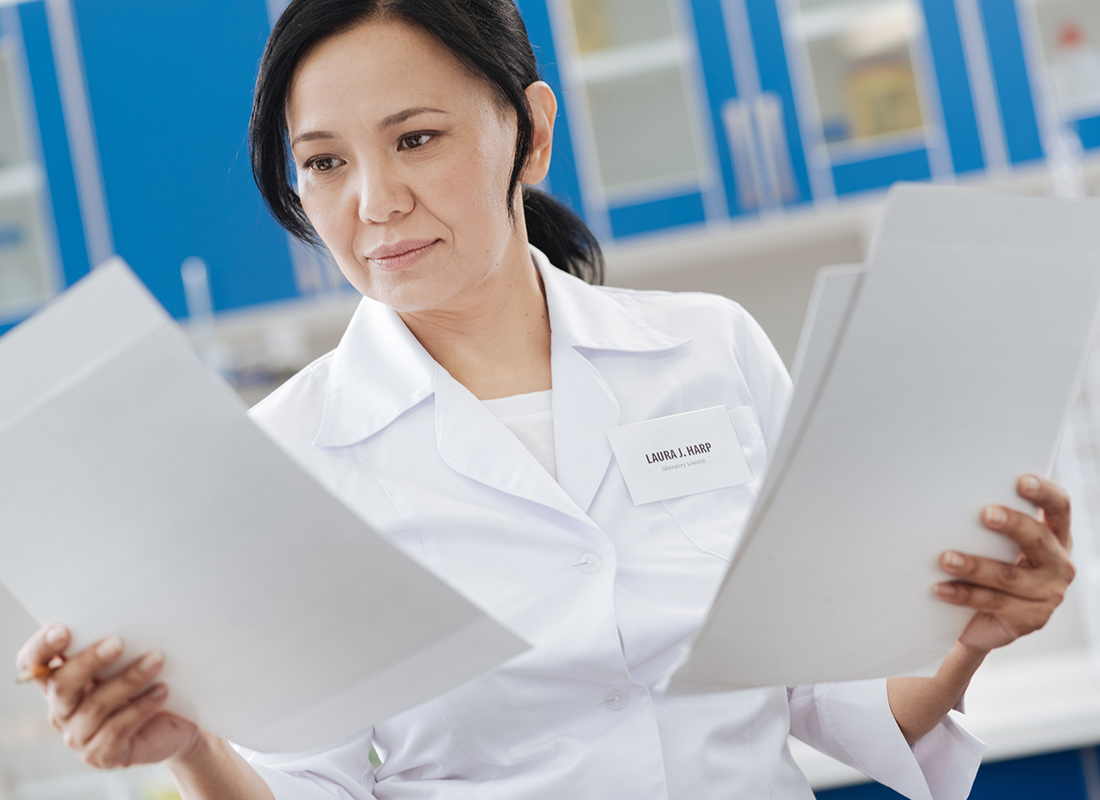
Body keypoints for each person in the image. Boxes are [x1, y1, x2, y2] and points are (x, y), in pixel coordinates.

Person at [16, 1, 1076, 798]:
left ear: (528, 132)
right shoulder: (284, 456)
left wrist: (969, 631)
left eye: (414, 138)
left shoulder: (705, 349)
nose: (374, 201)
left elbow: (830, 691)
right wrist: (191, 743)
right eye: (324, 163)